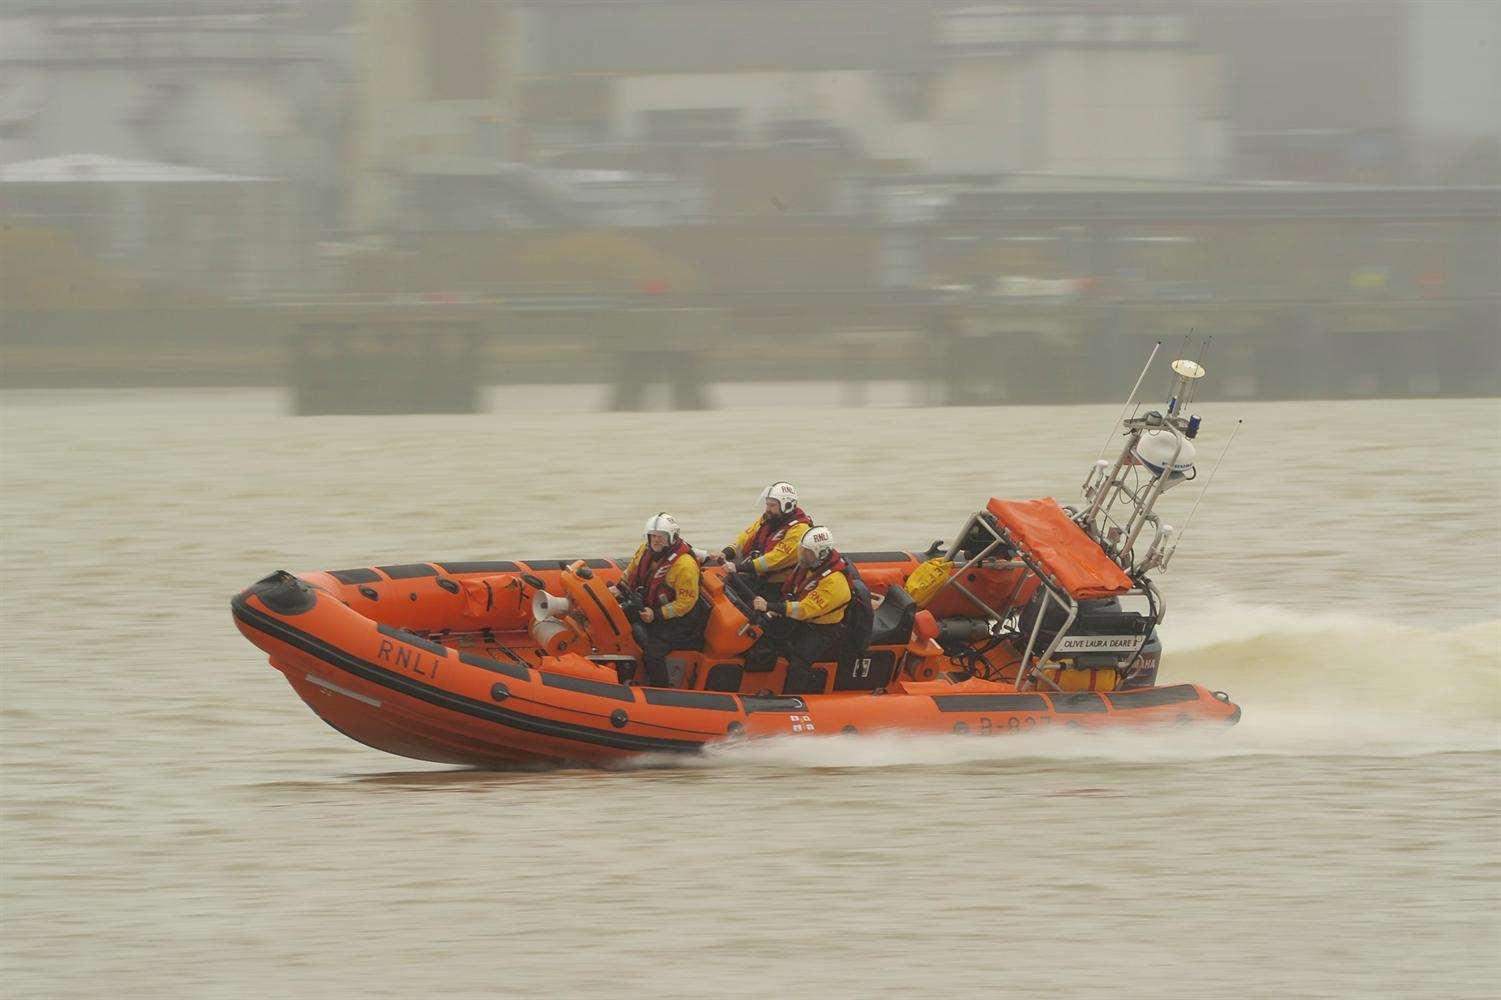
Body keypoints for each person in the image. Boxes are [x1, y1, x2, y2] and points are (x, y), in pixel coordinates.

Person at [749, 525, 851, 695]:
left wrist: (771, 606)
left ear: (822, 553)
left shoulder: (835, 583)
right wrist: (778, 608)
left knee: (799, 660)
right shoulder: (809, 567)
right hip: (804, 621)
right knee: (771, 637)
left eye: (807, 552)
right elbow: (792, 591)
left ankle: (793, 698)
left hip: (823, 630)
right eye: (802, 550)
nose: (802, 555)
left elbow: (805, 609)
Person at [612, 512, 709, 688]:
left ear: (671, 538)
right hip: (651, 607)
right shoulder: (644, 550)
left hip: (680, 620)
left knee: (653, 653)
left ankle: (661, 691)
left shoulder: (684, 565)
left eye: (661, 537)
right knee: (620, 613)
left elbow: (686, 603)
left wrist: (656, 615)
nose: (656, 540)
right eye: (653, 536)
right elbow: (631, 572)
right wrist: (618, 589)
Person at [719, 481, 814, 600]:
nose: (767, 509)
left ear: (787, 505)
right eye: (767, 504)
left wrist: (738, 567)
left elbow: (774, 559)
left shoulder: (799, 529)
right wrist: (727, 552)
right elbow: (746, 536)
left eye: (772, 505)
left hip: (779, 585)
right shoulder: (768, 519)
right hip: (760, 576)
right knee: (723, 585)